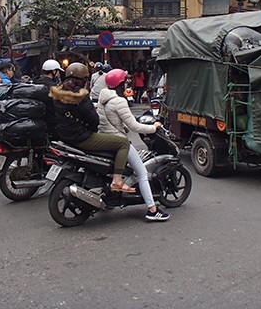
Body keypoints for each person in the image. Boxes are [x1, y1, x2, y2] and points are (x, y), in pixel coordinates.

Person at [98, 68, 170, 222]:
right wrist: (153, 127)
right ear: (120, 84)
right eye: (125, 82)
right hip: (118, 141)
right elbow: (134, 127)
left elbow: (114, 121)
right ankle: (152, 209)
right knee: (142, 173)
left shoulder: (102, 98)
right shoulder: (119, 101)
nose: (127, 84)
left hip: (105, 137)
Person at [49, 62, 134, 192]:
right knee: (123, 143)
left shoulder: (58, 94)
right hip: (82, 137)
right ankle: (117, 180)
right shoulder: (81, 97)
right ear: (83, 79)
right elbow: (94, 121)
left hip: (65, 136)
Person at [33, 59, 63, 139]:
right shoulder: (54, 87)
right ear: (54, 71)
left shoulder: (35, 83)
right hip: (52, 123)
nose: (59, 74)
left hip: (37, 121)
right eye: (58, 71)